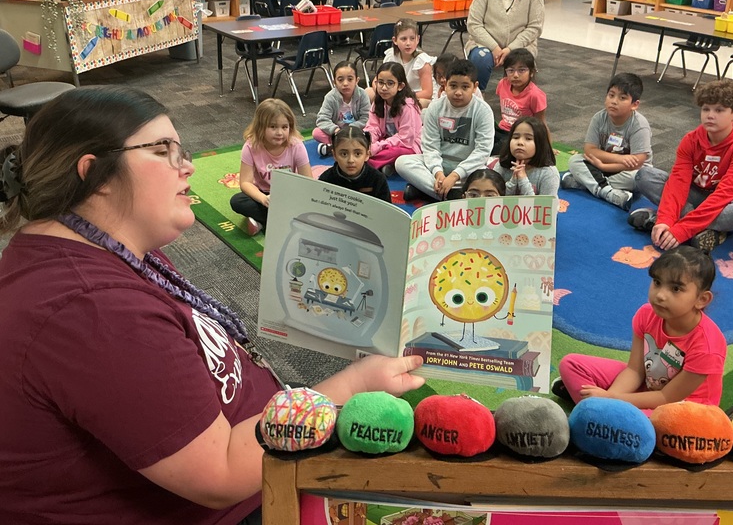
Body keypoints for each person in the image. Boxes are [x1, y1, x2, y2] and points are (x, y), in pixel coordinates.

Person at [0, 86, 425, 525]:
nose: (188, 166)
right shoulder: (90, 310)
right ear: (96, 176)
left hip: (256, 457)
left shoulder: (105, 246)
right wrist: (354, 384)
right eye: (163, 150)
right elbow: (219, 474)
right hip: (239, 499)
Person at [555, 247, 726, 413]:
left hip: (682, 409)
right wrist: (610, 398)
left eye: (676, 289)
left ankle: (597, 412)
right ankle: (601, 413)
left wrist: (611, 399)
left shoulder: (708, 346)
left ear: (702, 299)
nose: (660, 295)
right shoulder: (646, 314)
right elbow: (635, 371)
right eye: (657, 282)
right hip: (648, 387)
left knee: (648, 423)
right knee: (571, 365)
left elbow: (667, 398)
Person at [628, 79, 733, 252]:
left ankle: (681, 222)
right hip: (694, 195)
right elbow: (678, 182)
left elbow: (725, 194)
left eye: (719, 110)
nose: (710, 115)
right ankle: (710, 231)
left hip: (727, 204)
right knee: (645, 176)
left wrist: (680, 230)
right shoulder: (691, 140)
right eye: (706, 109)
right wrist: (665, 219)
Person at [395, 58, 493, 201]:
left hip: (469, 169)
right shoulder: (435, 108)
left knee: (487, 178)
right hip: (441, 163)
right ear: (445, 84)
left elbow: (483, 151)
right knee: (402, 163)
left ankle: (426, 190)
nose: (458, 92)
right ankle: (451, 195)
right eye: (453, 86)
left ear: (475, 87)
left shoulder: (483, 111)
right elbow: (430, 146)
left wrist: (455, 175)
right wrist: (438, 173)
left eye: (465, 87)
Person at [561, 72, 651, 212]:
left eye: (622, 98)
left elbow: (638, 162)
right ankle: (609, 192)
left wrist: (604, 166)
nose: (614, 101)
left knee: (640, 177)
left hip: (628, 171)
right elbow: (590, 150)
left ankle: (585, 183)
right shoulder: (599, 118)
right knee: (575, 160)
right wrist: (615, 160)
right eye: (611, 95)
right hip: (603, 166)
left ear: (634, 105)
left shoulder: (639, 125)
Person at [465, 0, 545, 91]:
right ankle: (477, 94)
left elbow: (535, 27)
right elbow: (473, 24)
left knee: (521, 65)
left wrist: (510, 49)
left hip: (520, 46)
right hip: (486, 44)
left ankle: (518, 100)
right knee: (481, 58)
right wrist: (494, 47)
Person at [229, 98, 313, 236]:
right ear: (261, 127)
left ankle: (264, 222)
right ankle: (282, 221)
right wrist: (263, 198)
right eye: (273, 127)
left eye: (284, 127)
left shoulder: (296, 145)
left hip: (289, 194)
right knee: (237, 201)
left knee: (311, 203)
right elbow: (245, 182)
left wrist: (294, 198)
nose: (279, 132)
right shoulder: (251, 146)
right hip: (263, 194)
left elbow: (308, 181)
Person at [364, 62, 423, 175]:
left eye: (390, 83)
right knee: (361, 146)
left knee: (395, 153)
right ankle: (384, 166)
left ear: (400, 86)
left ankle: (367, 163)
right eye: (380, 83)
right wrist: (368, 142)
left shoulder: (408, 106)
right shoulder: (378, 102)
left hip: (408, 146)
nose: (384, 88)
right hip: (386, 141)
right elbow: (373, 127)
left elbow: (405, 139)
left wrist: (378, 146)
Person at [367, 18, 435, 108]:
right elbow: (376, 81)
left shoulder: (422, 61)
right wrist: (383, 92)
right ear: (395, 40)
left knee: (414, 104)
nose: (408, 43)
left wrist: (401, 97)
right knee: (368, 92)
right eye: (403, 39)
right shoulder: (391, 56)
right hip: (392, 93)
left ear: (418, 39)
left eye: (412, 39)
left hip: (414, 95)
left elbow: (427, 93)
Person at [312, 60, 371, 157]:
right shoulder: (330, 97)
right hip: (338, 132)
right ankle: (346, 146)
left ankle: (333, 147)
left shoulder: (362, 95)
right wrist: (335, 130)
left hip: (356, 131)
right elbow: (322, 119)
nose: (345, 83)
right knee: (316, 133)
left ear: (357, 80)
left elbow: (367, 118)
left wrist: (352, 128)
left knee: (370, 132)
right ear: (334, 82)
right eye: (340, 80)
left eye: (350, 79)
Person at [318, 126, 392, 203]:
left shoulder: (377, 180)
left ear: (367, 155)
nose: (350, 160)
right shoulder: (326, 180)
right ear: (335, 155)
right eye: (344, 154)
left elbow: (386, 212)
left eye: (357, 154)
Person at [494, 48, 547, 155]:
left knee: (500, 148)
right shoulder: (502, 84)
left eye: (521, 70)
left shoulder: (535, 95)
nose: (515, 75)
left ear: (531, 72)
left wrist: (546, 147)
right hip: (502, 129)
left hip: (521, 135)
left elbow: (541, 123)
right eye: (510, 70)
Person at [492, 117, 559, 197]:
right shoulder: (501, 165)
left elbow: (544, 207)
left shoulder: (549, 173)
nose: (520, 142)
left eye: (528, 139)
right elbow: (495, 200)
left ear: (540, 144)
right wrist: (513, 181)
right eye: (516, 137)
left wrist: (523, 180)